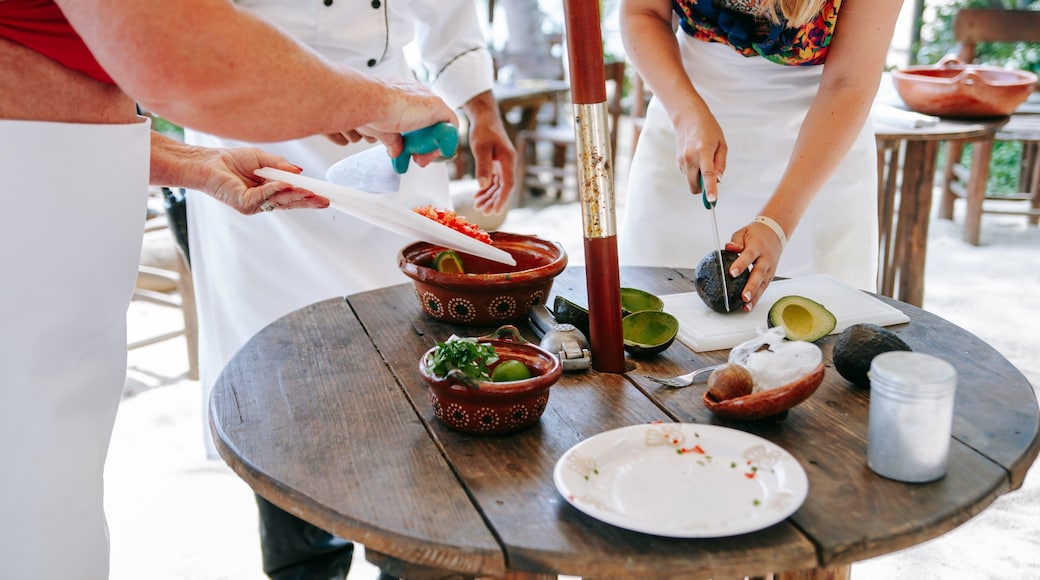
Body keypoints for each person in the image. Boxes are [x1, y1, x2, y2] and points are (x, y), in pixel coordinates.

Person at [0, 0, 457, 577]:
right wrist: (381, 100)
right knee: (37, 527)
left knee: (55, 516)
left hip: (60, 203)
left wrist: (190, 160)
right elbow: (173, 49)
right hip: (25, 215)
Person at [181, 2, 515, 577]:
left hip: (398, 129)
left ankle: (415, 552)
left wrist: (481, 108)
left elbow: (449, 10)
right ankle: (305, 560)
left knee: (414, 367)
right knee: (283, 385)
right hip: (253, 127)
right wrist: (347, 99)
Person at [618, 0, 903, 310]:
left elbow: (849, 80)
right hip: (686, 108)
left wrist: (777, 224)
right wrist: (685, 113)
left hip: (821, 142)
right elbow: (642, 13)